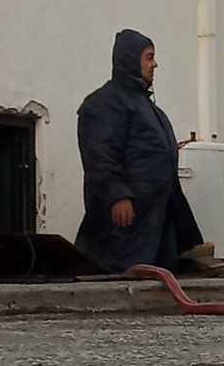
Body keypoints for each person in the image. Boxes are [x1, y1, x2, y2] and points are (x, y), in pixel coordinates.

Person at [74, 29, 202, 273]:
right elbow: (101, 154)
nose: (155, 64)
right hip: (127, 216)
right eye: (149, 57)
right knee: (117, 275)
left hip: (158, 215)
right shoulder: (105, 102)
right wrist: (117, 195)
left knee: (159, 281)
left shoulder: (148, 107)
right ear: (130, 59)